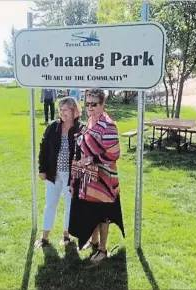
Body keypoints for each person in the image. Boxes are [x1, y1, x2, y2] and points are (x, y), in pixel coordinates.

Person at [69, 89, 125, 265]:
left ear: (103, 105)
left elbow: (115, 154)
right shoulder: (92, 121)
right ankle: (93, 242)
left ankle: (102, 249)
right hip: (90, 175)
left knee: (103, 214)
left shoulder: (108, 125)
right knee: (92, 210)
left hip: (104, 177)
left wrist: (91, 158)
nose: (90, 107)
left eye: (94, 104)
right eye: (87, 104)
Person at [35, 97, 84, 248]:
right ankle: (44, 238)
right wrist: (42, 169)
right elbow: (43, 149)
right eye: (60, 110)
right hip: (53, 173)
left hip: (72, 176)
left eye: (66, 110)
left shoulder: (81, 128)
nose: (62, 113)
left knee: (70, 206)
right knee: (50, 204)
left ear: (74, 111)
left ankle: (66, 236)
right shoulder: (53, 127)